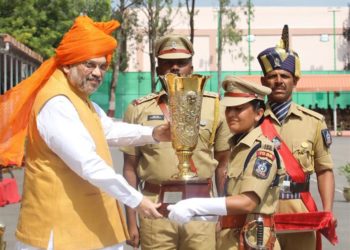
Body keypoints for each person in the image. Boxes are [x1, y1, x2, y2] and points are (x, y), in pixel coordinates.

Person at [0, 16, 171, 250]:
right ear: (68, 64)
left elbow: (106, 129)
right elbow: (87, 163)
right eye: (89, 64)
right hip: (57, 231)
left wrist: (155, 134)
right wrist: (136, 199)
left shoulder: (79, 99)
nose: (97, 73)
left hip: (83, 227)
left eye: (102, 66)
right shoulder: (56, 103)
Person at [120, 34, 231, 250]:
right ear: (158, 68)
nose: (175, 68)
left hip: (202, 208)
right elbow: (129, 169)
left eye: (182, 62)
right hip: (155, 208)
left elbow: (223, 166)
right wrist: (131, 221)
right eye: (168, 63)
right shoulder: (138, 109)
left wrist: (224, 214)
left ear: (191, 66)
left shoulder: (215, 106)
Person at [167, 76, 285, 250]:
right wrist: (204, 213)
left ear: (259, 113)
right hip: (233, 237)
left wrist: (196, 205)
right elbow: (231, 201)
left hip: (252, 241)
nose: (231, 114)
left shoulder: (261, 151)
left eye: (239, 109)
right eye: (229, 108)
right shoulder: (239, 147)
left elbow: (247, 202)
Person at [257, 25, 335, 250]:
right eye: (272, 76)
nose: (279, 81)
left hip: (300, 214)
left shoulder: (314, 121)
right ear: (263, 81)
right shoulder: (253, 120)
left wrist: (327, 211)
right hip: (261, 212)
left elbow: (324, 169)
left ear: (295, 81)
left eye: (285, 76)